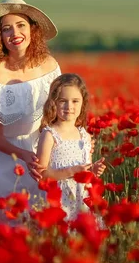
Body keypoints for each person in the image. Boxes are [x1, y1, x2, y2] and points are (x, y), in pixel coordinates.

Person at [0, 0, 61, 222]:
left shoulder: (49, 64)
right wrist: (24, 155)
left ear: (32, 30)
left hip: (38, 144)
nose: (15, 33)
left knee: (42, 214)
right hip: (0, 153)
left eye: (21, 25)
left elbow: (57, 114)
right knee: (10, 220)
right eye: (6, 29)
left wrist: (47, 150)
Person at [35, 73, 106, 222]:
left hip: (82, 200)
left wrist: (93, 171)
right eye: (63, 101)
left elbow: (85, 171)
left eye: (75, 101)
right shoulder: (50, 135)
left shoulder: (85, 136)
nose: (69, 106)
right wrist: (71, 172)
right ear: (53, 103)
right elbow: (41, 175)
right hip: (59, 201)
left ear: (83, 103)